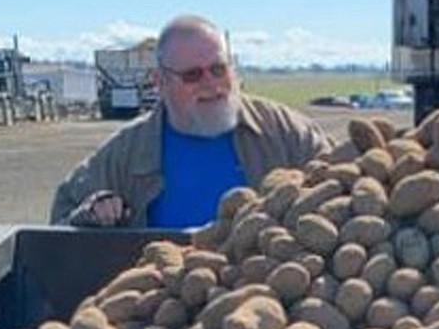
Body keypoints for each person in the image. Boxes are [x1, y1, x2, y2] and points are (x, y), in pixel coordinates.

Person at [50, 15, 331, 228]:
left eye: (218, 69)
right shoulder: (126, 152)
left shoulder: (284, 132)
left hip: (268, 296)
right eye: (192, 75)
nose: (211, 84)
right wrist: (93, 211)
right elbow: (61, 220)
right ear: (160, 82)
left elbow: (346, 180)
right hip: (166, 299)